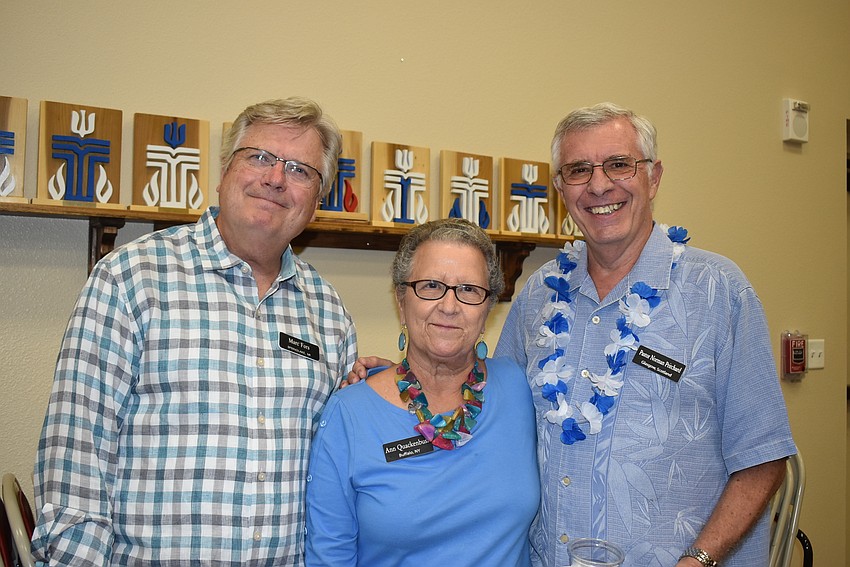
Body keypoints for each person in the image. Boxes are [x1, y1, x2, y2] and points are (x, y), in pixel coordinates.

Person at [349, 103, 796, 567]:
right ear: (561, 188)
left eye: (619, 164)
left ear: (654, 176)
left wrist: (698, 560)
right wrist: (412, 376)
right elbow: (489, 400)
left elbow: (763, 456)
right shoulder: (540, 294)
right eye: (578, 170)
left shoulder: (719, 291)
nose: (599, 185)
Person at [32, 97, 358, 566]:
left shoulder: (328, 313)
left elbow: (338, 469)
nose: (276, 178)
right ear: (225, 170)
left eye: (300, 169)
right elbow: (75, 461)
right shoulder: (130, 278)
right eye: (260, 157)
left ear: (318, 200)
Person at [305, 218, 540, 566]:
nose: (449, 306)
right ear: (402, 300)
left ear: (487, 308)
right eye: (430, 286)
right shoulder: (349, 415)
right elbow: (330, 557)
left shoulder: (519, 388)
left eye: (469, 290)